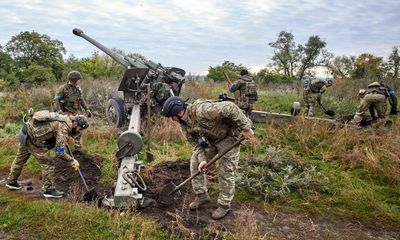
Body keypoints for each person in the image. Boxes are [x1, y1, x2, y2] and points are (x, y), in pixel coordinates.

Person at [161, 96, 254, 220]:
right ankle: (201, 195)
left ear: (179, 112)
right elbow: (195, 145)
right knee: (195, 162)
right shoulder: (184, 125)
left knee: (225, 170)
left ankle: (224, 205)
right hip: (210, 142)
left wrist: (246, 128)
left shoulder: (202, 110)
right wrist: (203, 160)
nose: (172, 120)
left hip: (229, 137)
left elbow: (230, 107)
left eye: (172, 117)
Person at [5, 110, 89, 198]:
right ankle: (48, 190)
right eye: (80, 129)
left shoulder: (63, 118)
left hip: (25, 133)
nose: (79, 132)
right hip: (33, 141)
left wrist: (62, 141)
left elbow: (53, 131)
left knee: (19, 160)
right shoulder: (64, 127)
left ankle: (11, 182)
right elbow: (59, 153)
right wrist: (72, 161)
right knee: (49, 164)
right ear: (75, 124)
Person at [54, 70, 91, 150]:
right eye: (78, 80)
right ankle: (61, 151)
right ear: (75, 80)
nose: (79, 81)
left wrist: (87, 109)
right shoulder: (63, 88)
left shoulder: (78, 89)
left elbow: (81, 99)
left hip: (76, 112)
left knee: (78, 129)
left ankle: (78, 149)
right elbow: (56, 100)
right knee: (64, 131)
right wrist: (60, 112)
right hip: (66, 113)